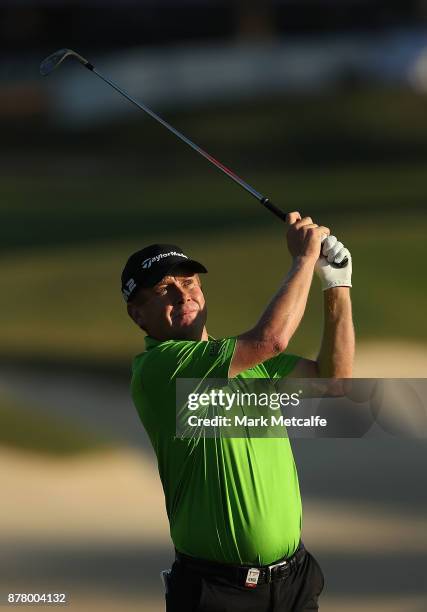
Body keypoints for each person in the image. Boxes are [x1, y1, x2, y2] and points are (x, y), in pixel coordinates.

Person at [121, 212, 354, 611]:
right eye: (164, 289)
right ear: (138, 314)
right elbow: (272, 339)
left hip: (294, 582)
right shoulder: (158, 369)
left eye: (190, 282)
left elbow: (333, 383)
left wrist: (337, 285)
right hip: (217, 590)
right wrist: (303, 259)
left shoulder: (249, 364)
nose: (183, 294)